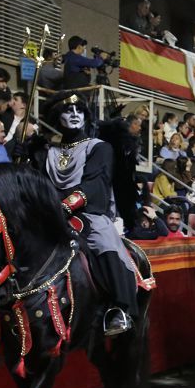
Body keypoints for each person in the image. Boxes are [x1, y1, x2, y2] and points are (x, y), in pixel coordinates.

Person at [30, 91, 139, 335]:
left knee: (104, 241)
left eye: (79, 110)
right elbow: (36, 184)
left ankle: (120, 309)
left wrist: (65, 206)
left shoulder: (99, 148)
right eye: (68, 111)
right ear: (58, 118)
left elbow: (95, 184)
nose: (75, 115)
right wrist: (24, 156)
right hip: (50, 214)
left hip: (87, 213)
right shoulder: (48, 152)